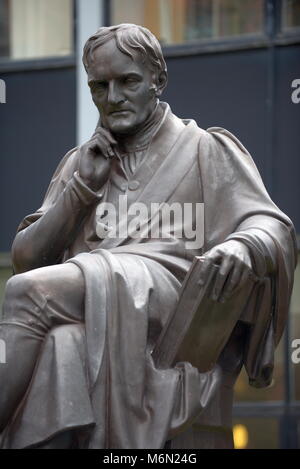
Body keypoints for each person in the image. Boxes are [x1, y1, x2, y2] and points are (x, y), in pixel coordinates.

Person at [0, 24, 296, 449]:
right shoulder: (80, 163)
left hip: (173, 296)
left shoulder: (205, 149)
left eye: (128, 81)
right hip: (98, 304)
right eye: (99, 86)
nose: (113, 96)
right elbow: (27, 258)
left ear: (158, 80)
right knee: (62, 348)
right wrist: (80, 191)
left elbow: (272, 225)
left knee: (30, 294)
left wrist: (241, 245)